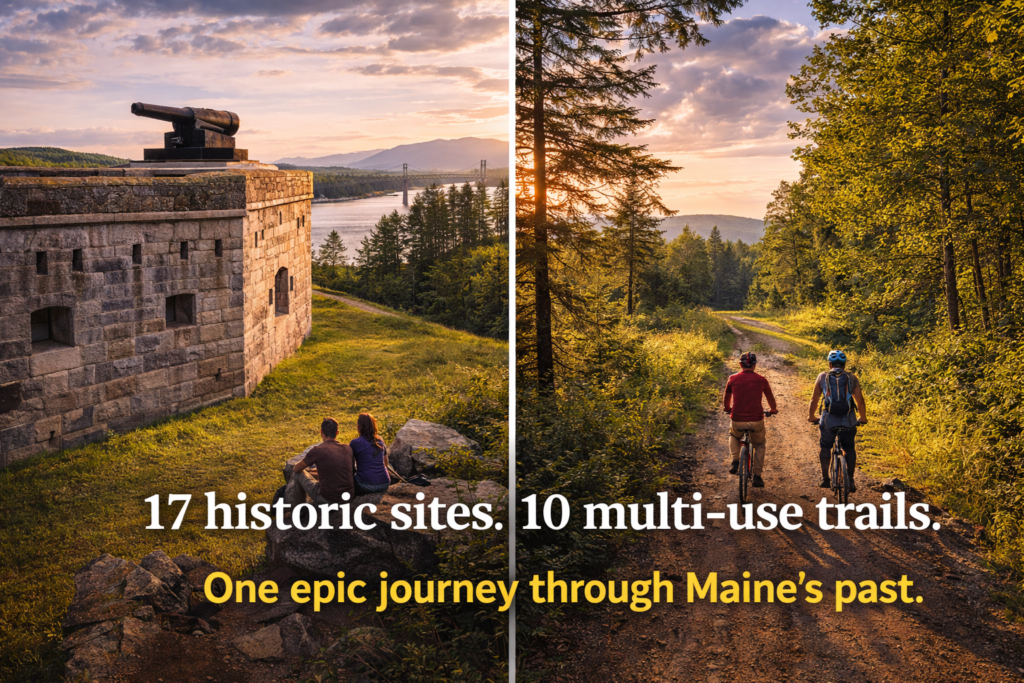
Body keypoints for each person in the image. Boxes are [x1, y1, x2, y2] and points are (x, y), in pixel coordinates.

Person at [807, 350, 868, 492]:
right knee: (849, 448)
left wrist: (812, 416)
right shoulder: (852, 378)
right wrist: (863, 418)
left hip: (829, 419)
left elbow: (814, 399)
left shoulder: (822, 377)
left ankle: (825, 479)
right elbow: (859, 400)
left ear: (830, 364)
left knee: (825, 446)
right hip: (848, 419)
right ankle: (851, 480)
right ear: (844, 365)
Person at [723, 352, 778, 487]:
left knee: (734, 435)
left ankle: (736, 460)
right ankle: (757, 476)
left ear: (741, 365)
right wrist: (773, 410)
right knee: (759, 445)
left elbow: (726, 398)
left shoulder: (732, 379)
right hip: (756, 420)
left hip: (737, 418)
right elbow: (770, 397)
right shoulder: (762, 380)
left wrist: (727, 408)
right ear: (754, 365)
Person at [292, 417, 355, 505]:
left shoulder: (317, 450)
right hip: (348, 497)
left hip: (328, 498)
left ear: (321, 431)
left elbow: (296, 469)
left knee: (298, 473)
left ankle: (299, 508)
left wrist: (307, 470)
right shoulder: (347, 448)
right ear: (337, 433)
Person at [349, 412, 392, 495]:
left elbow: (350, 468)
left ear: (358, 427)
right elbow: (386, 463)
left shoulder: (355, 443)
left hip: (365, 485)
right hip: (384, 483)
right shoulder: (380, 440)